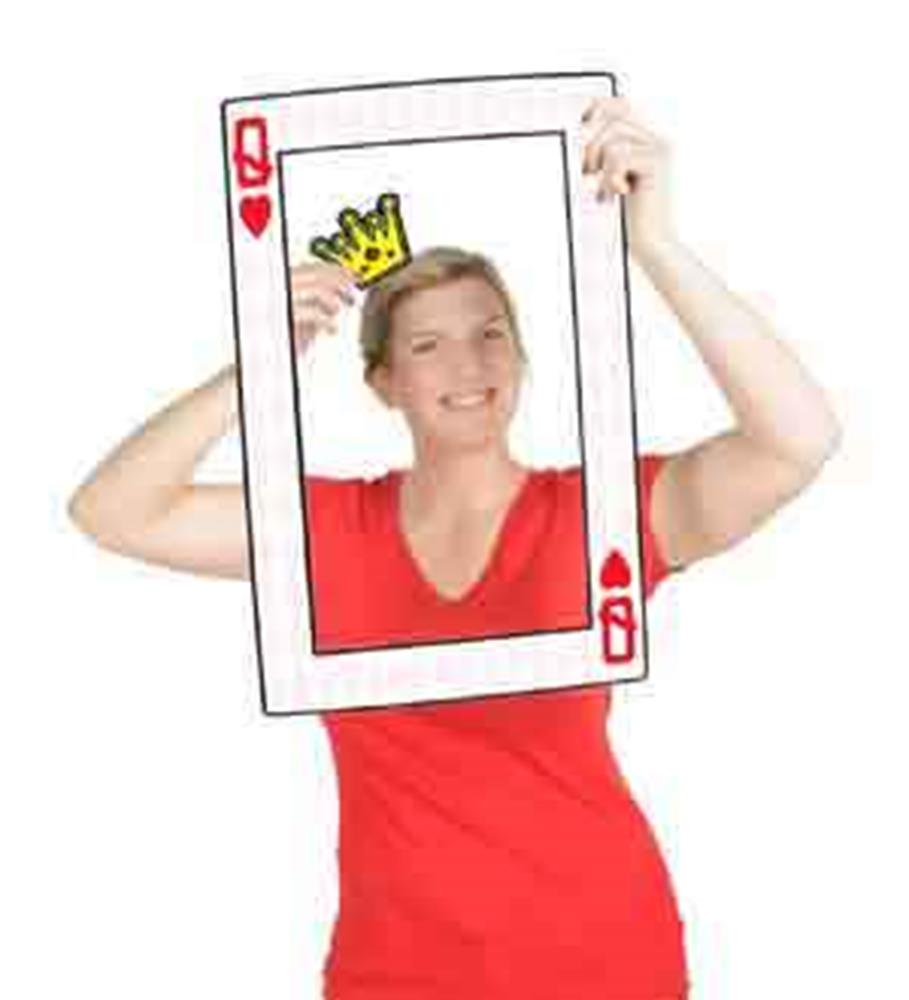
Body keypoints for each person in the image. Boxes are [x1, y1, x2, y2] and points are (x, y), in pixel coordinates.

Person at [67, 95, 841, 999]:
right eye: (429, 345)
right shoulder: (329, 530)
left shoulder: (603, 513)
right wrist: (258, 364)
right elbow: (113, 512)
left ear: (520, 359)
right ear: (383, 382)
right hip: (395, 969)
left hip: (602, 954)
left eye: (489, 334)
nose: (467, 364)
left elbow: (798, 440)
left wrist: (656, 245)